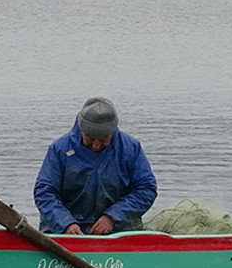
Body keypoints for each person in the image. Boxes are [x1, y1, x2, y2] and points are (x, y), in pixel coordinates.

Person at [34, 97, 158, 235]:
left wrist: (113, 217)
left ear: (112, 132)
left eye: (104, 140)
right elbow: (44, 192)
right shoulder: (59, 149)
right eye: (90, 139)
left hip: (119, 230)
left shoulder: (131, 148)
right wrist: (65, 223)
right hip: (65, 231)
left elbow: (146, 189)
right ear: (82, 129)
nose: (96, 145)